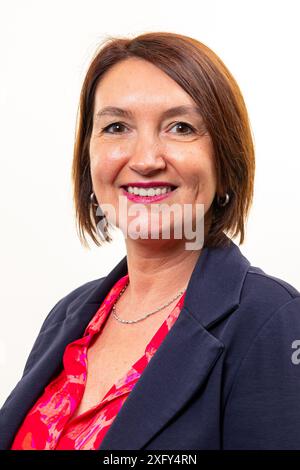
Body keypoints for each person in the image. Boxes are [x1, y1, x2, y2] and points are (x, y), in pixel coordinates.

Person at [0, 31, 299, 451]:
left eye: (180, 127)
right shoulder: (68, 317)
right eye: (116, 126)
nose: (144, 159)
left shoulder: (274, 321)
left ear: (225, 161)